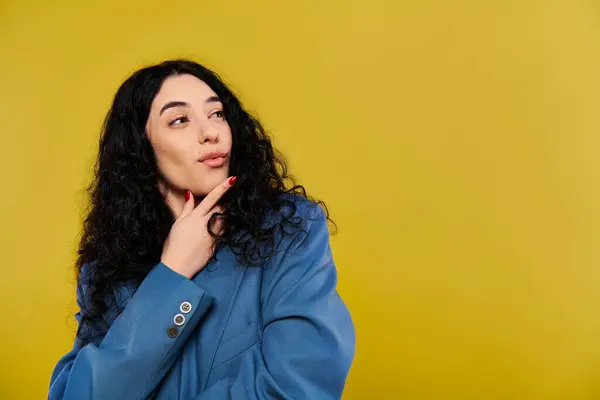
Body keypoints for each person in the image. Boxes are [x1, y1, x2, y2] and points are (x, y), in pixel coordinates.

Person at [48, 59, 355, 399]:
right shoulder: (106, 269)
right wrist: (172, 273)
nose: (211, 132)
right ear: (141, 150)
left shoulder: (287, 230)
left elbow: (299, 385)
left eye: (217, 113)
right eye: (179, 120)